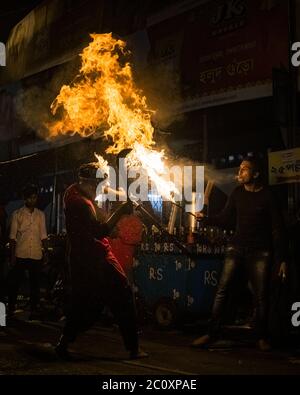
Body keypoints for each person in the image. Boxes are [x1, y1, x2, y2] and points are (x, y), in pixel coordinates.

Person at [192, 157, 288, 351]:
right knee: (222, 290)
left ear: (256, 174)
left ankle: (261, 336)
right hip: (236, 248)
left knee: (261, 296)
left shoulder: (268, 196)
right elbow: (226, 219)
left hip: (260, 252)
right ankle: (211, 333)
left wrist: (283, 258)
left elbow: (278, 229)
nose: (241, 172)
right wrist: (207, 219)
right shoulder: (237, 193)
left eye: (245, 169)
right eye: (241, 168)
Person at [55, 162, 148, 360]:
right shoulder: (80, 204)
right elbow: (100, 230)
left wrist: (109, 217)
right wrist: (120, 212)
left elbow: (95, 220)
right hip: (97, 259)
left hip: (81, 260)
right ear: (88, 183)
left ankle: (63, 342)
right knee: (123, 294)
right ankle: (134, 348)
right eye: (96, 184)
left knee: (85, 303)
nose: (98, 188)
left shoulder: (73, 193)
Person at [7, 184, 48, 320]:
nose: (33, 200)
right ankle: (11, 307)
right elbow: (12, 237)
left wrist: (46, 253)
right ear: (25, 199)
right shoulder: (17, 214)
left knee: (35, 284)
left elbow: (43, 236)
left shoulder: (40, 215)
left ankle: (34, 309)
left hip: (36, 253)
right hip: (21, 253)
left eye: (34, 197)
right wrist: (12, 256)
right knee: (15, 282)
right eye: (30, 198)